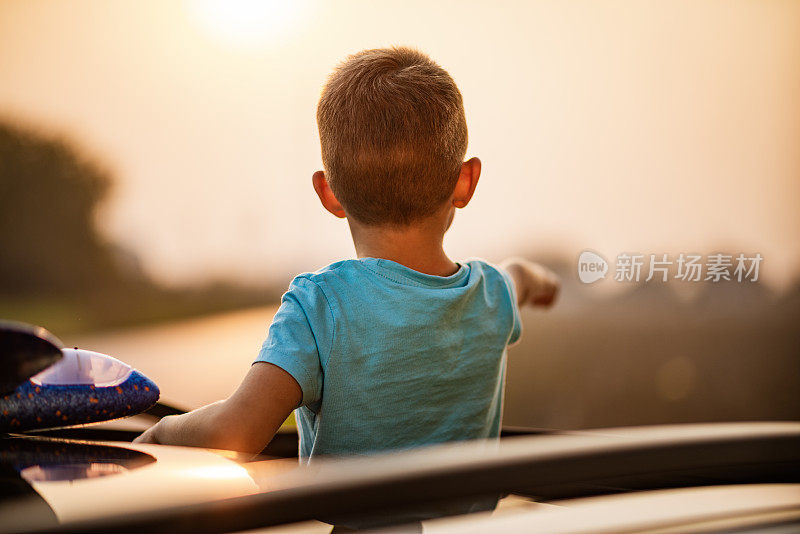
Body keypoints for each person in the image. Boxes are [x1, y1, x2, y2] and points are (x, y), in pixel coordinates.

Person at [134, 46, 559, 528]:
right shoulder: (492, 294)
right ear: (465, 182)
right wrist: (546, 285)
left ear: (329, 192)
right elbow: (522, 277)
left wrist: (164, 434)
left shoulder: (321, 305)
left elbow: (237, 431)